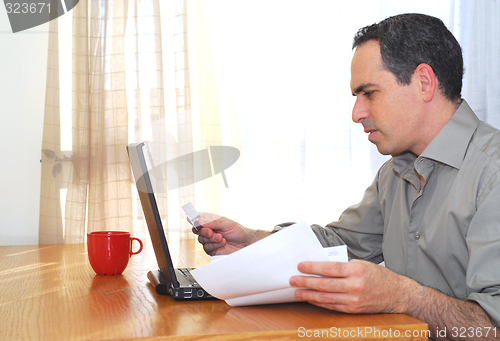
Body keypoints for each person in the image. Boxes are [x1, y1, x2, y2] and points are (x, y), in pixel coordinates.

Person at [193, 13, 500, 340]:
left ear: (424, 82)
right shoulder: (394, 173)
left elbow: (492, 326)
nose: (357, 114)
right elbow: (340, 246)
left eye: (369, 93)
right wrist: (252, 240)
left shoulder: (492, 172)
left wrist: (404, 296)